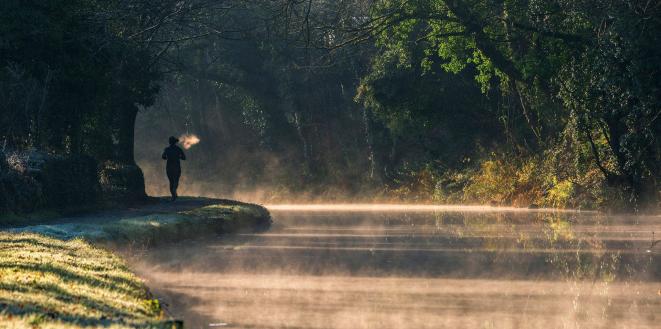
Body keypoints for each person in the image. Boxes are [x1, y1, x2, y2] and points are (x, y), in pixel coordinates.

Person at [162, 136, 186, 201]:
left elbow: (163, 157)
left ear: (169, 142)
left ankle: (173, 195)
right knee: (176, 180)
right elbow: (184, 158)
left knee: (171, 181)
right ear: (175, 142)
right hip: (176, 166)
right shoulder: (178, 149)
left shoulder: (167, 149)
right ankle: (174, 191)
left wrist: (168, 158)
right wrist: (178, 157)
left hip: (169, 167)